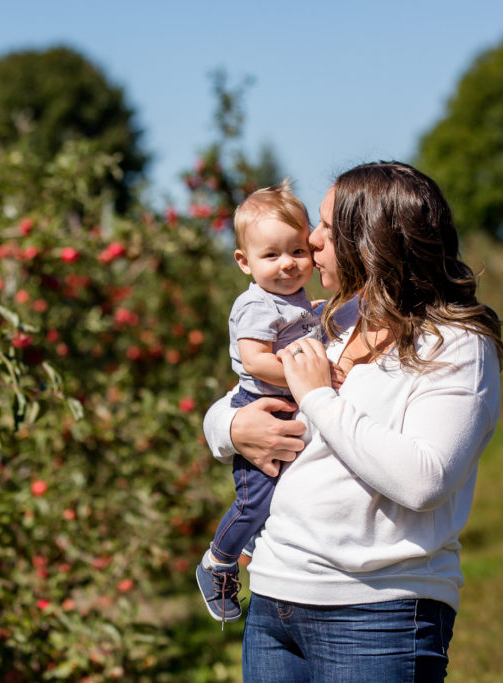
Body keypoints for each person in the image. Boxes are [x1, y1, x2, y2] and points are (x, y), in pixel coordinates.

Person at [202, 161, 503, 681]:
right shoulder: (332, 324)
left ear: (370, 242)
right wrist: (229, 430)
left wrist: (318, 397)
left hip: (377, 610)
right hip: (277, 598)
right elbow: (239, 396)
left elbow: (424, 479)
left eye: (324, 227)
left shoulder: (454, 344)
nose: (312, 240)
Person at [196, 180, 321, 624]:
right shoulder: (256, 306)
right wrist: (308, 373)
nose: (287, 264)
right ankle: (219, 562)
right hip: (261, 401)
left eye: (298, 251)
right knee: (255, 499)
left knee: (279, 491)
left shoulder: (297, 300)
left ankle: (250, 543)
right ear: (244, 262)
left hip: (283, 402)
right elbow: (255, 359)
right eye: (272, 256)